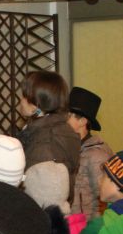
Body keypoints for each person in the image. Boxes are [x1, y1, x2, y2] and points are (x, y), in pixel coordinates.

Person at [17, 71, 80, 200]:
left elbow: (39, 193)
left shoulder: (45, 142)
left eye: (24, 96)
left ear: (36, 105)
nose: (21, 100)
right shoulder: (60, 129)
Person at [67, 87, 113, 219]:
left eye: (68, 116)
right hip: (74, 223)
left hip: (88, 225)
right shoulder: (72, 148)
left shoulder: (96, 155)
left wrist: (93, 226)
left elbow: (106, 198)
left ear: (83, 121)